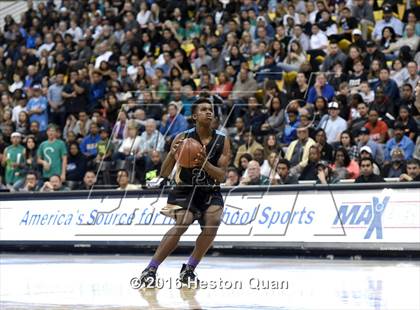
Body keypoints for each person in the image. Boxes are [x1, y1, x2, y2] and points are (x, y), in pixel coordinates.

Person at [139, 97, 231, 286]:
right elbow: (164, 172)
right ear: (194, 116)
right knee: (184, 221)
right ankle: (151, 269)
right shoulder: (182, 138)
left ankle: (189, 269)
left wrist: (204, 164)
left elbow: (222, 176)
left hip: (210, 190)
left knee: (213, 222)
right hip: (185, 189)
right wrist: (172, 155)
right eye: (204, 109)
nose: (209, 112)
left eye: (211, 109)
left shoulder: (223, 140)